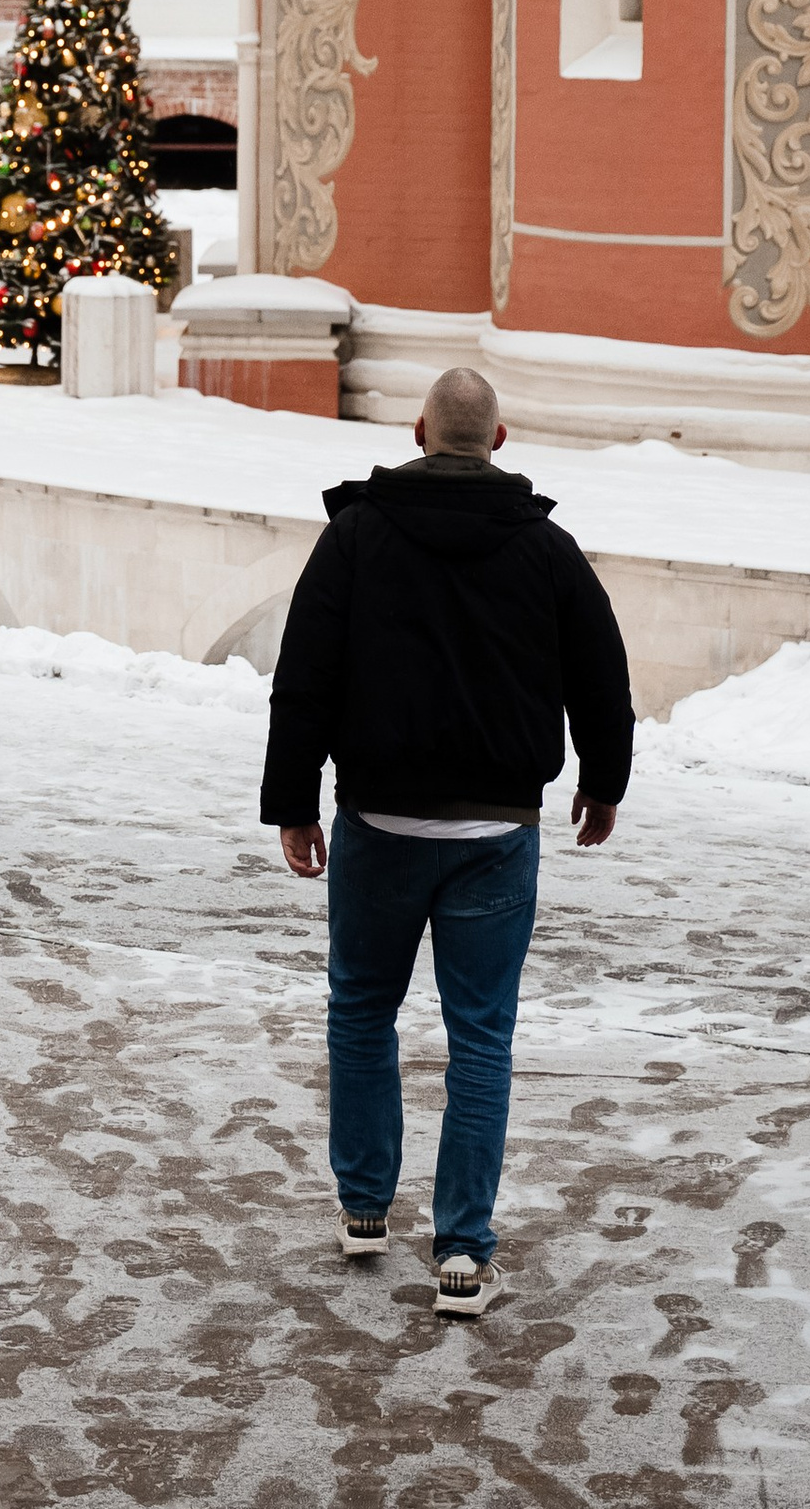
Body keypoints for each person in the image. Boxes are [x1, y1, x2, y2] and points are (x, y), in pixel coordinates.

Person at [261, 364, 634, 1317]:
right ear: (498, 440)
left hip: (379, 823)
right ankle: (462, 1251)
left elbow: (304, 676)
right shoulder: (547, 549)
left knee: (361, 1011)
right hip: (496, 832)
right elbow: (602, 678)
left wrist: (294, 803)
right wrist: (603, 783)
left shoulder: (355, 537)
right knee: (481, 1039)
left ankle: (363, 1205)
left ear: (418, 430)